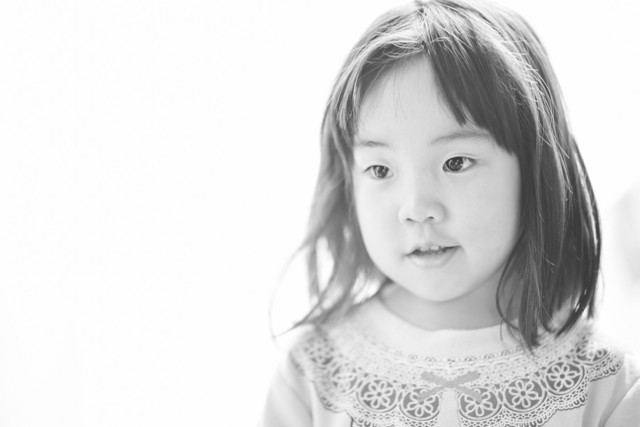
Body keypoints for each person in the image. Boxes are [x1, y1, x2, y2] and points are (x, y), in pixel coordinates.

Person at [260, 0, 640, 425]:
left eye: (456, 163)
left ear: (536, 169)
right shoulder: (312, 377)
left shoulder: (606, 387)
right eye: (380, 170)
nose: (417, 208)